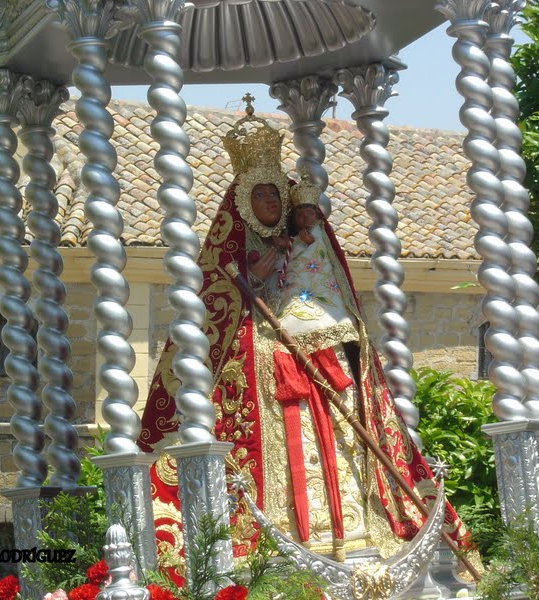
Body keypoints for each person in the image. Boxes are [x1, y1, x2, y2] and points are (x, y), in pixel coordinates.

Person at [138, 101, 467, 566]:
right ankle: (280, 544)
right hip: (269, 364)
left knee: (344, 441)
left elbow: (331, 292)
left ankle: (357, 530)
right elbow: (229, 299)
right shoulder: (238, 251)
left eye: (276, 196)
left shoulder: (308, 243)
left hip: (325, 356)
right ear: (246, 205)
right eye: (262, 198)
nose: (271, 204)